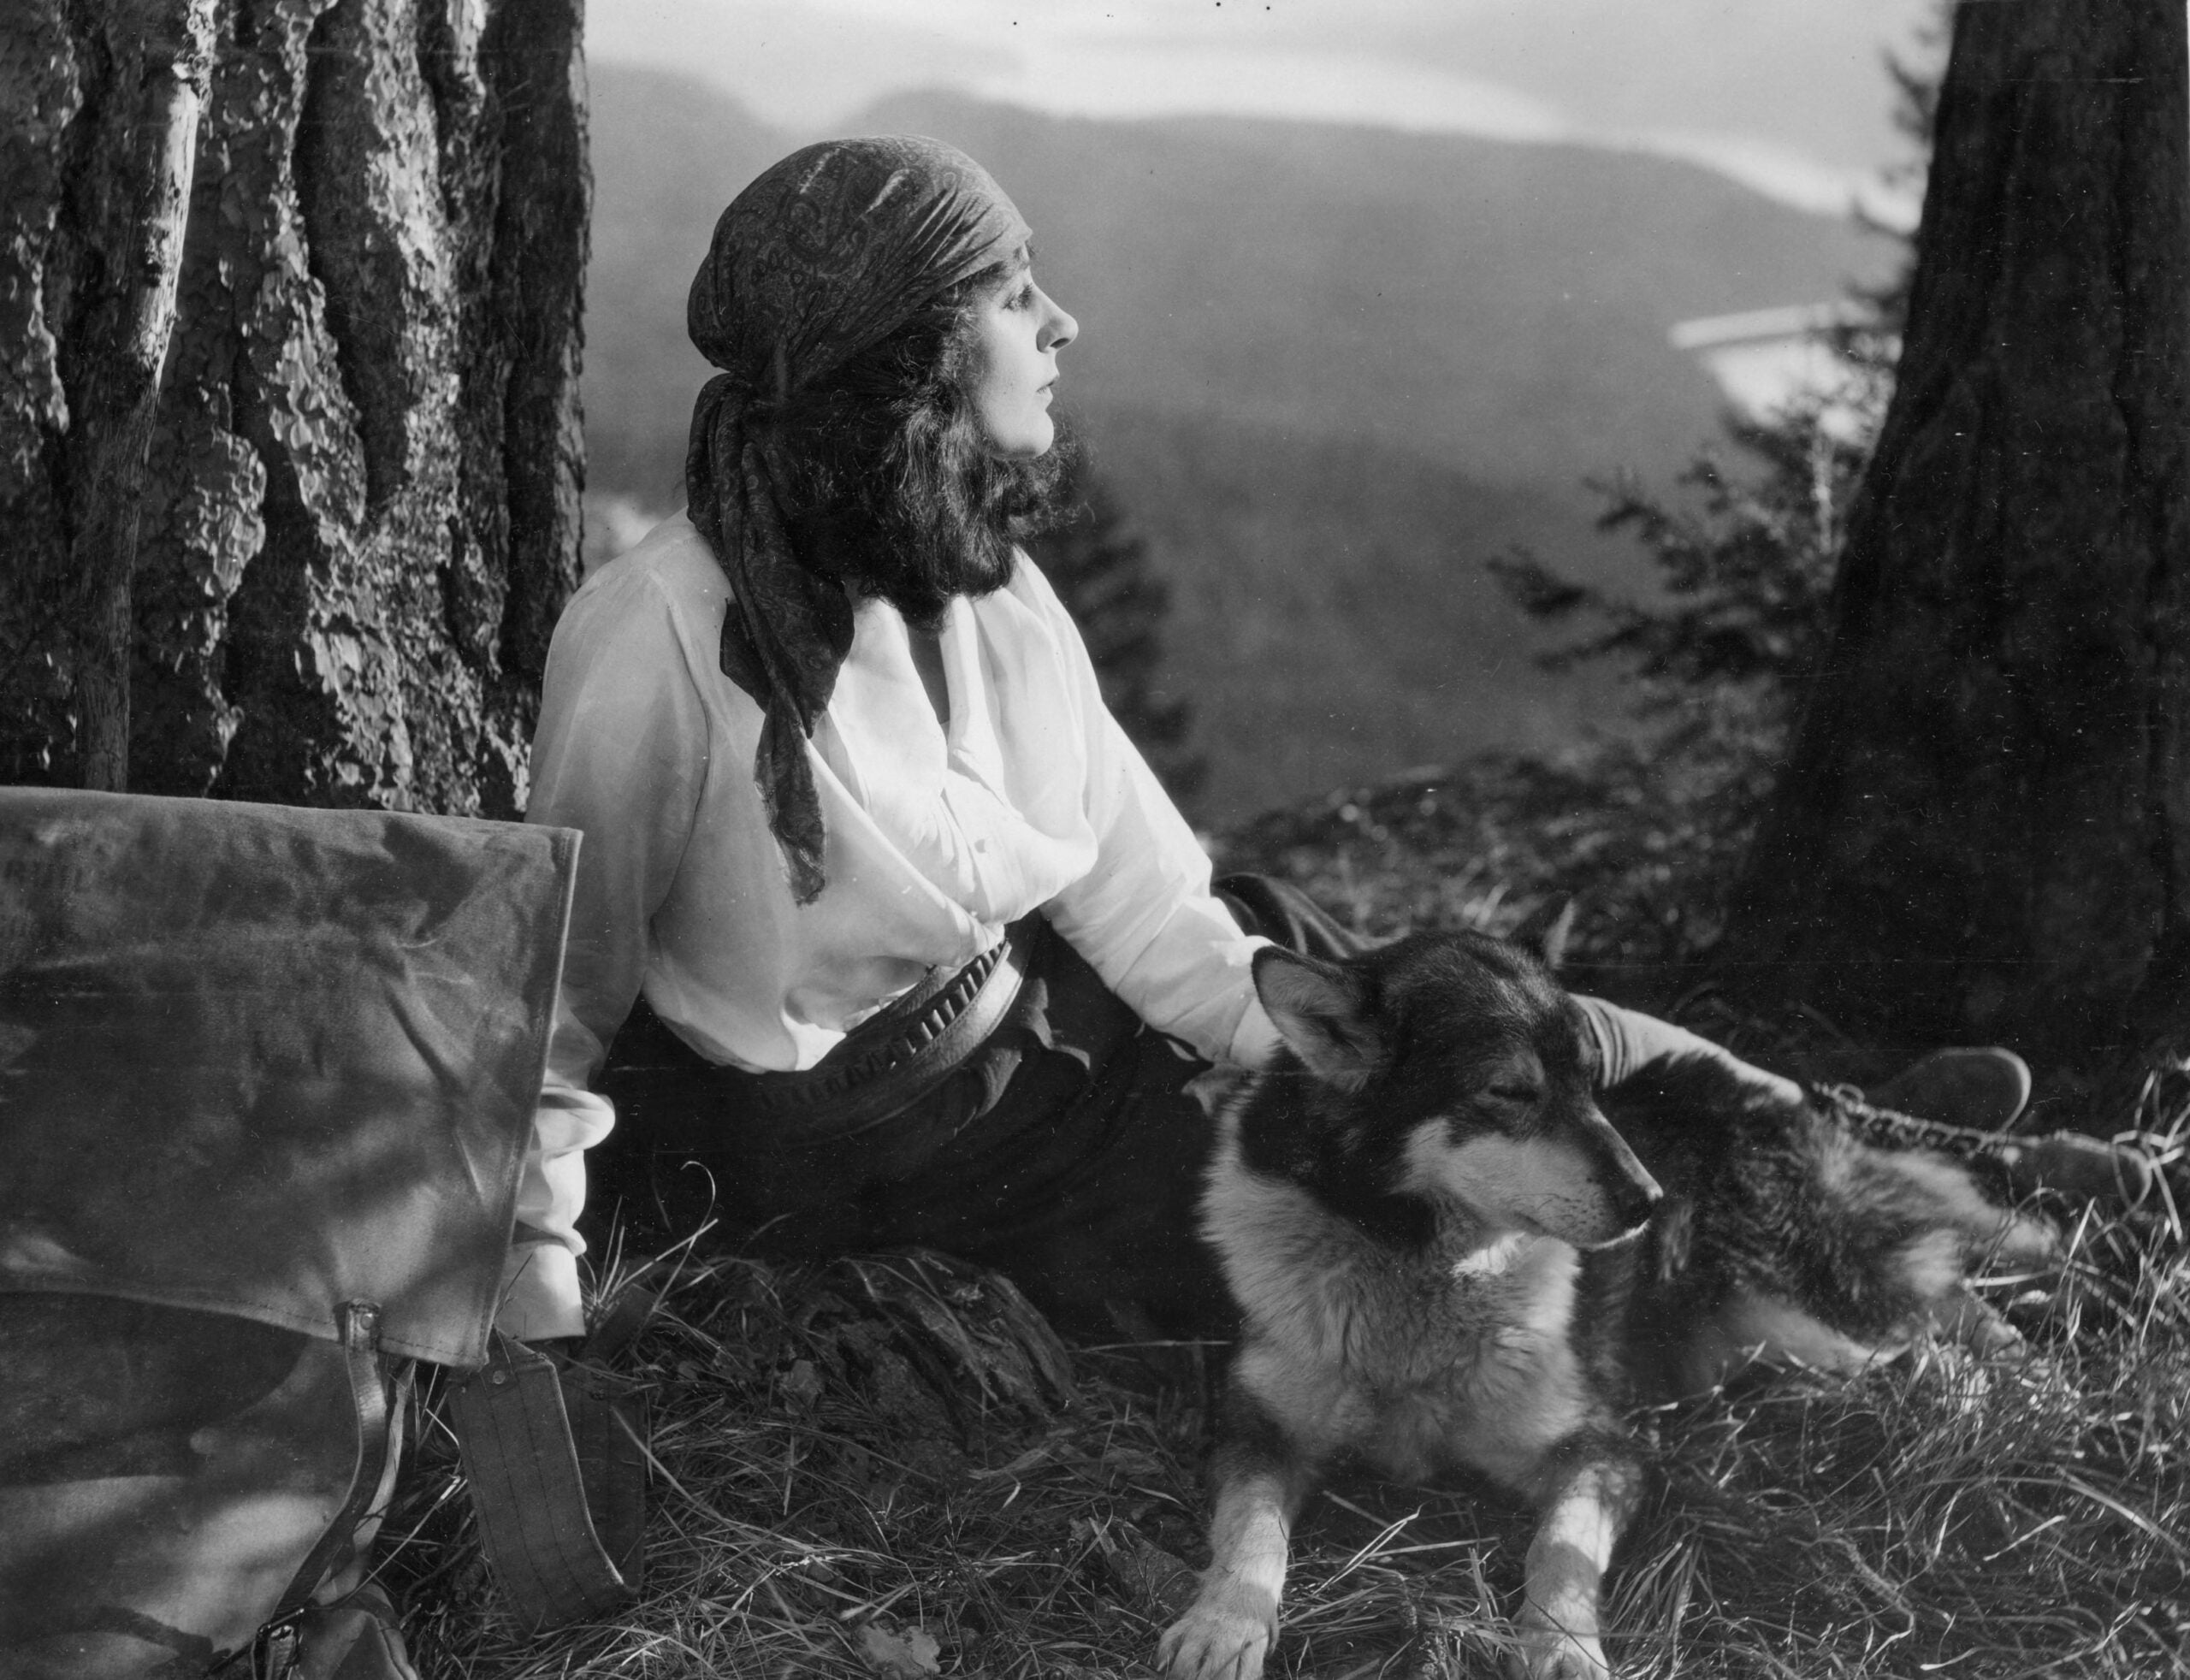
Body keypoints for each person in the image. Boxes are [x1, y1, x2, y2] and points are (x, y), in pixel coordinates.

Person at [493, 137, 2032, 1345]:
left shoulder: (995, 595)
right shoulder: (654, 648)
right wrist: (534, 1328)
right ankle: (1865, 1243)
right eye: (1013, 291)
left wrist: (1305, 1041)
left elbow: (1152, 902)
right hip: (887, 1154)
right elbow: (544, 1031)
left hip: (1055, 1017)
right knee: (1389, 1245)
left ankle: (1830, 1127)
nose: (1060, 320)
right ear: (912, 352)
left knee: (1427, 1012)